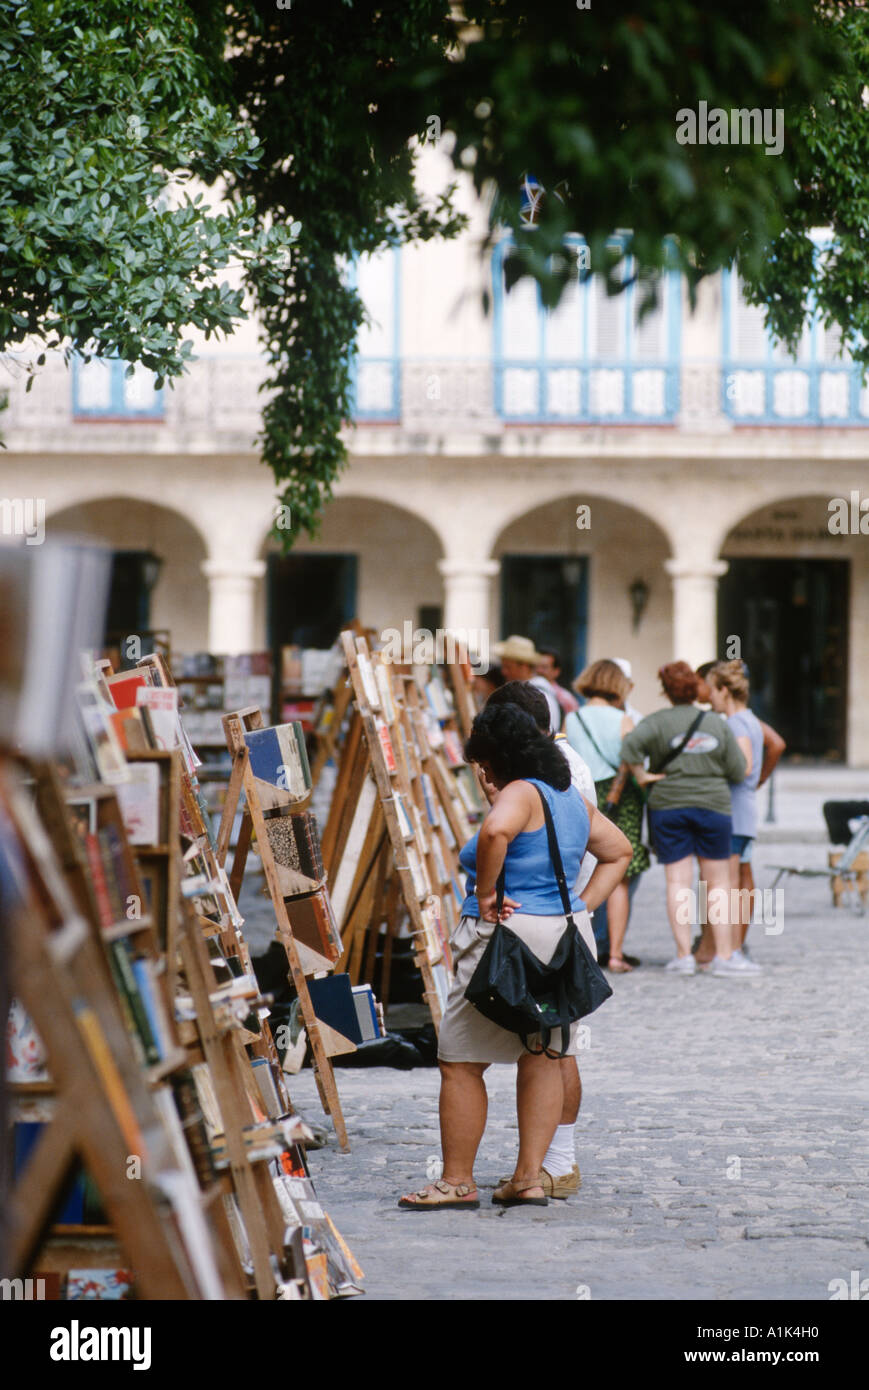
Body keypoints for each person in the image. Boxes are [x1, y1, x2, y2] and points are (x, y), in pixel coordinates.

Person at [398, 701, 631, 1210]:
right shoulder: (567, 796)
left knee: (460, 1062)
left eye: (482, 761)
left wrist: (485, 894)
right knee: (544, 1055)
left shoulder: (521, 793)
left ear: (497, 757)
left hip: (506, 938)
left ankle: (457, 1180)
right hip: (561, 937)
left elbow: (496, 831)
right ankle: (528, 1177)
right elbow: (619, 851)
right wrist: (580, 907)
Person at [484, 680, 596, 1197]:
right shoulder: (553, 766)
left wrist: (580, 904)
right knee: (552, 1046)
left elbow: (503, 835)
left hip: (547, 921)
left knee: (554, 1049)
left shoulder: (551, 774)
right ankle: (546, 1165)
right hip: (562, 917)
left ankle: (558, 1162)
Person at [620, 661, 757, 977]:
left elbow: (628, 749)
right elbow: (738, 770)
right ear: (696, 689)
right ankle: (724, 955)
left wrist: (643, 775)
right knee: (718, 883)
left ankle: (683, 956)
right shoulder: (716, 723)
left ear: (665, 691)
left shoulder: (655, 723)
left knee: (677, 882)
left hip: (668, 807)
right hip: (714, 807)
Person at [564, 660, 650, 972]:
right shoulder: (624, 719)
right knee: (621, 875)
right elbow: (635, 762)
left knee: (585, 865)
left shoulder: (572, 718)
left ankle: (583, 942)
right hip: (620, 795)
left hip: (585, 794)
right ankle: (614, 953)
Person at [703, 660, 767, 962]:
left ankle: (727, 952)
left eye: (712, 689)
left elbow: (744, 766)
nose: (709, 696)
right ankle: (730, 949)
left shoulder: (736, 723)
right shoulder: (748, 719)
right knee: (731, 883)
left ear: (724, 690)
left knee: (725, 886)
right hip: (741, 813)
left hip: (732, 812)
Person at [493, 634, 562, 734]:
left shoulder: (539, 696)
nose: (504, 672)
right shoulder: (524, 692)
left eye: (508, 667)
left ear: (524, 667)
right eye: (503, 667)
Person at [537, 648, 580, 722]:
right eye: (536, 666)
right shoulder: (527, 691)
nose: (539, 670)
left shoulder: (565, 699)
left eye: (544, 667)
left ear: (556, 671)